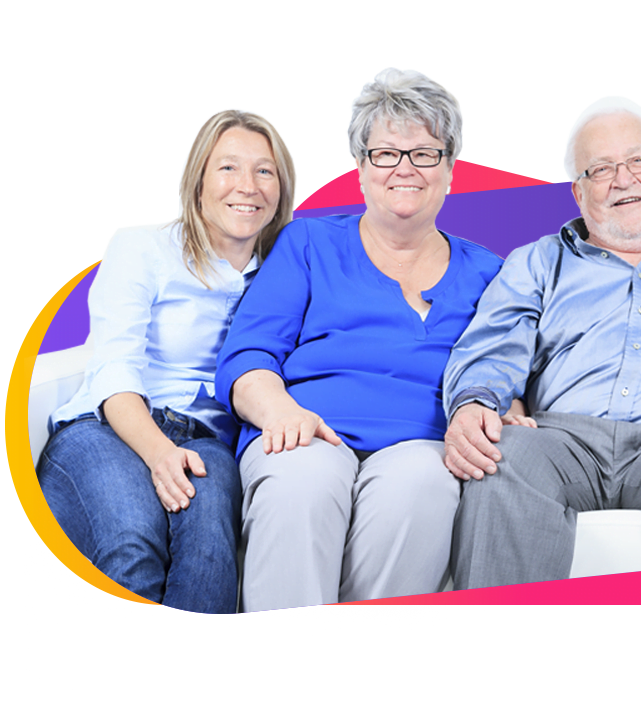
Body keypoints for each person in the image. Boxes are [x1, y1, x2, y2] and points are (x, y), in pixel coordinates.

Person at [443, 96, 641, 590]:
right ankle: (493, 662)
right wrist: (476, 403)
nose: (623, 179)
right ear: (578, 193)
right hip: (563, 439)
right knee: (501, 456)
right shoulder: (537, 262)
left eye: (639, 161)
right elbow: (492, 345)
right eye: (600, 169)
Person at [216, 68, 504, 612]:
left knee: (423, 482)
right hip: (305, 432)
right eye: (385, 154)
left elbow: (507, 370)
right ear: (361, 167)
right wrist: (279, 412)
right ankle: (289, 675)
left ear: (449, 170)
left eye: (424, 154)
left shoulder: (490, 271)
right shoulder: (307, 242)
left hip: (422, 445)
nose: (405, 169)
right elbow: (247, 356)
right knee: (301, 480)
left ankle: (370, 677)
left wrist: (502, 407)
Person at [37, 109, 295, 612]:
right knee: (132, 544)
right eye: (228, 168)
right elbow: (114, 368)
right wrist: (159, 454)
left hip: (209, 441)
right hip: (107, 426)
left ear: (281, 190)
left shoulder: (289, 273)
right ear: (197, 181)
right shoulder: (141, 246)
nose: (248, 185)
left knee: (209, 559)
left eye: (264, 171)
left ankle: (186, 687)